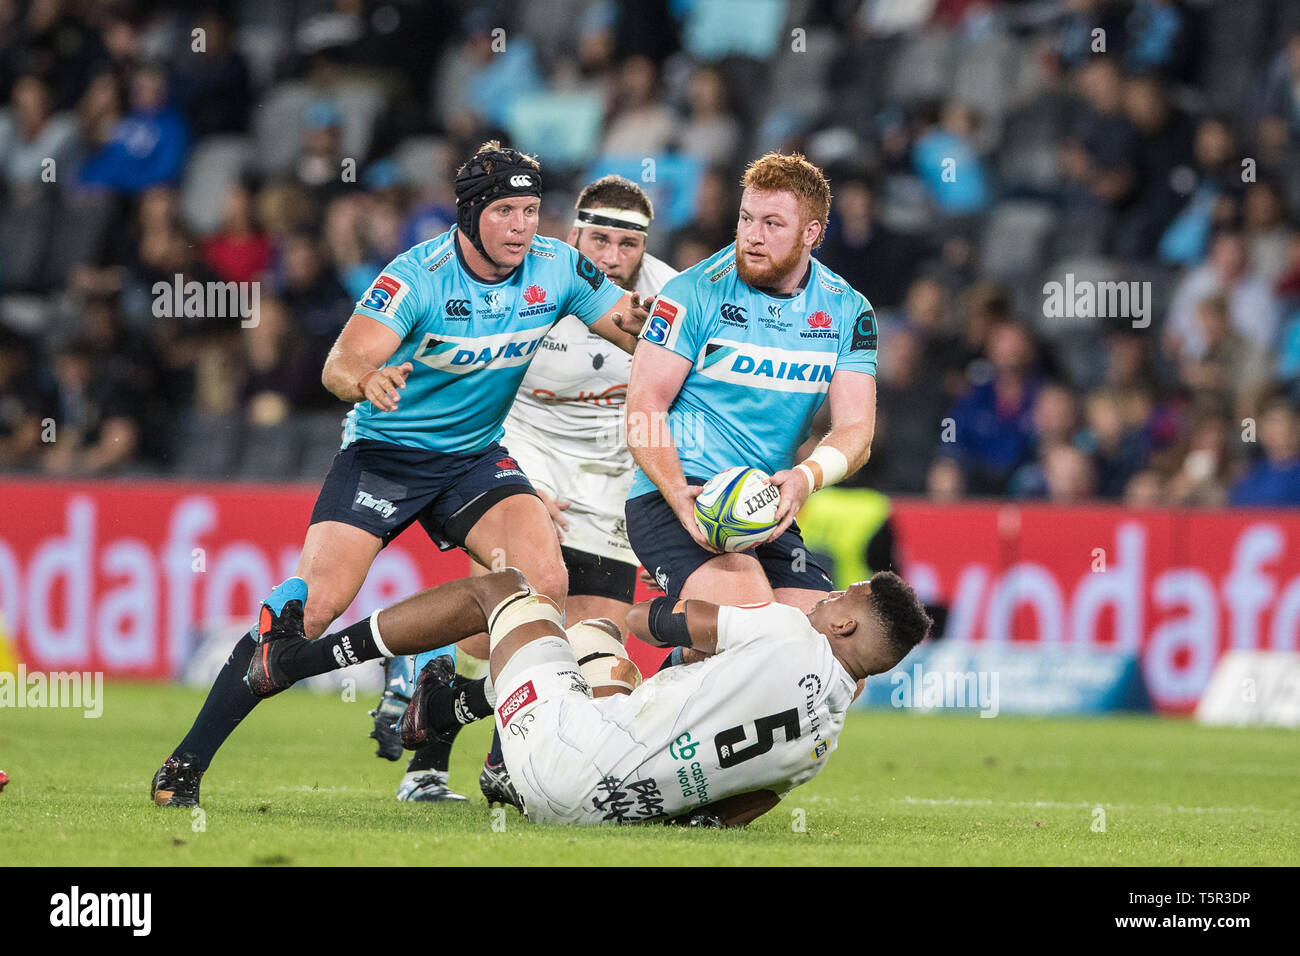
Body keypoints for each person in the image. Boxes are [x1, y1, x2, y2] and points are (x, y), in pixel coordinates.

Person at [148, 142, 649, 809]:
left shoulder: (558, 268)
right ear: (470, 214)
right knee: (311, 610)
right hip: (385, 456)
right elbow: (338, 364)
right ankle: (184, 765)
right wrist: (369, 377)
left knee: (542, 582)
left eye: (531, 210)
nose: (522, 226)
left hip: (474, 459)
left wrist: (673, 331)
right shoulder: (419, 276)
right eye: (506, 211)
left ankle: (481, 735)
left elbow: (630, 326)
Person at [371, 175, 677, 805]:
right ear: (573, 235)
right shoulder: (536, 279)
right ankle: (425, 768)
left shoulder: (667, 297)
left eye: (627, 244)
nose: (612, 256)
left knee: (595, 641)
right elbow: (479, 386)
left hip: (612, 474)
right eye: (599, 239)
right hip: (522, 451)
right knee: (504, 621)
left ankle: (501, 765)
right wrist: (520, 480)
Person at [242, 565, 931, 825]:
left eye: (843, 595)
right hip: (606, 814)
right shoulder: (821, 745)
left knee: (508, 593)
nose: (827, 597)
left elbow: (662, 623)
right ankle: (488, 759)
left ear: (844, 621)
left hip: (564, 754)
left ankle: (297, 659)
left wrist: (664, 621)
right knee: (596, 646)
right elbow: (735, 811)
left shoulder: (787, 629)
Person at [623, 152, 879, 637]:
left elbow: (855, 431)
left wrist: (806, 478)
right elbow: (644, 408)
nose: (752, 235)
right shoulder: (693, 292)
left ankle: (684, 645)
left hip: (763, 505)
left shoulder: (848, 310)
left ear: (812, 234)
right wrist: (677, 493)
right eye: (745, 218)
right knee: (761, 632)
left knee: (840, 651)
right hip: (681, 493)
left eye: (772, 223)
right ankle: (661, 623)